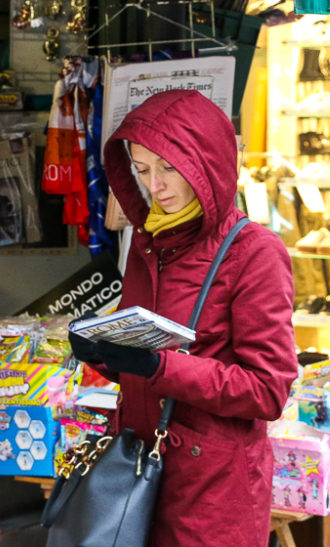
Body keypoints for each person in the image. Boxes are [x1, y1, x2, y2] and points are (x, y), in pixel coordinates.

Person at [68, 89, 298, 546]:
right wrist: (102, 352)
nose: (156, 186)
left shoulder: (253, 252)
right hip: (135, 476)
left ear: (206, 163)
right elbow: (141, 365)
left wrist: (160, 366)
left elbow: (268, 390)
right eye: (143, 169)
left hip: (211, 493)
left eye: (170, 168)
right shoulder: (149, 241)